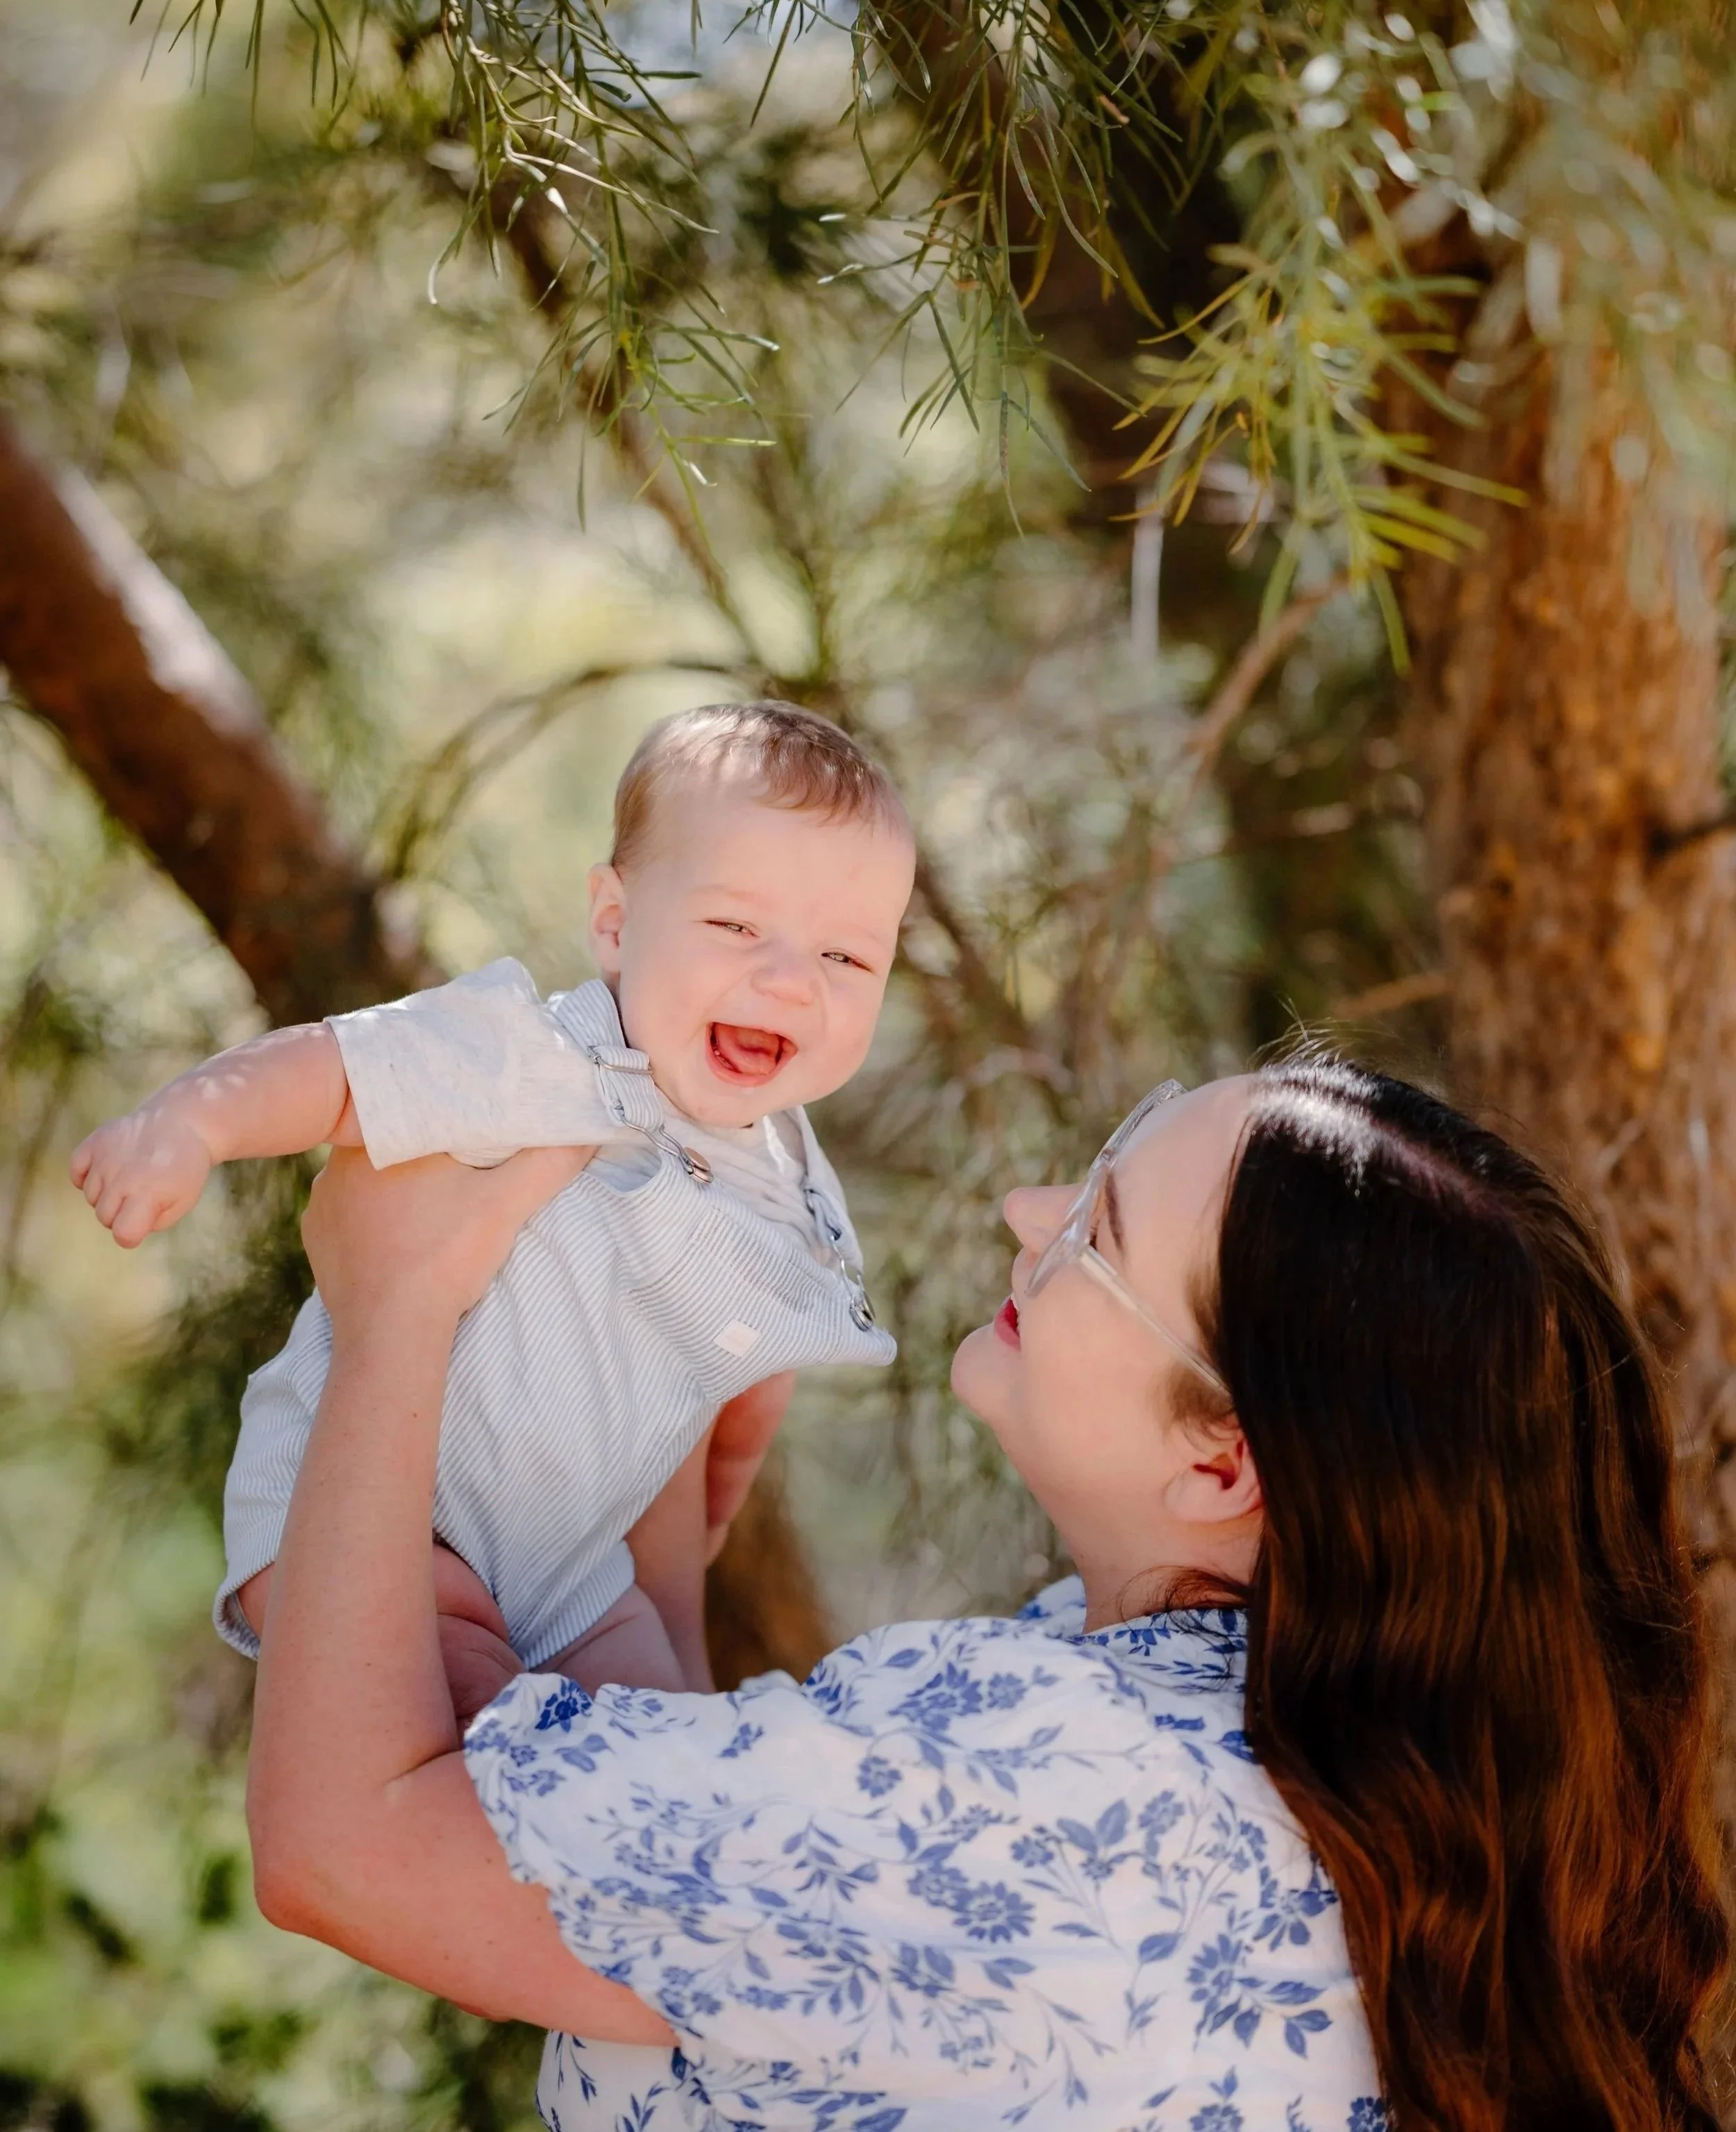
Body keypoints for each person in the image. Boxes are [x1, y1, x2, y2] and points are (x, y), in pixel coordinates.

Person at [245, 1058, 1728, 2131]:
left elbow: (342, 1846)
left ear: (1222, 1456)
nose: (1027, 1205)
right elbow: (719, 1926)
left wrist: (394, 1320)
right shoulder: (1315, 1783)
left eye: (1096, 1229)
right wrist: (654, 1561)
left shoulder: (1050, 1780)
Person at [67, 701, 912, 1708]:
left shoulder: (788, 1175)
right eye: (735, 925)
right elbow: (347, 1066)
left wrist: (710, 1513)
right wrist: (190, 1125)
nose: (788, 983)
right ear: (614, 921)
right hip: (385, 1526)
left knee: (670, 1737)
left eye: (846, 959)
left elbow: (752, 1381)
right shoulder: (541, 1052)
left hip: (574, 1571)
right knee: (471, 1720)